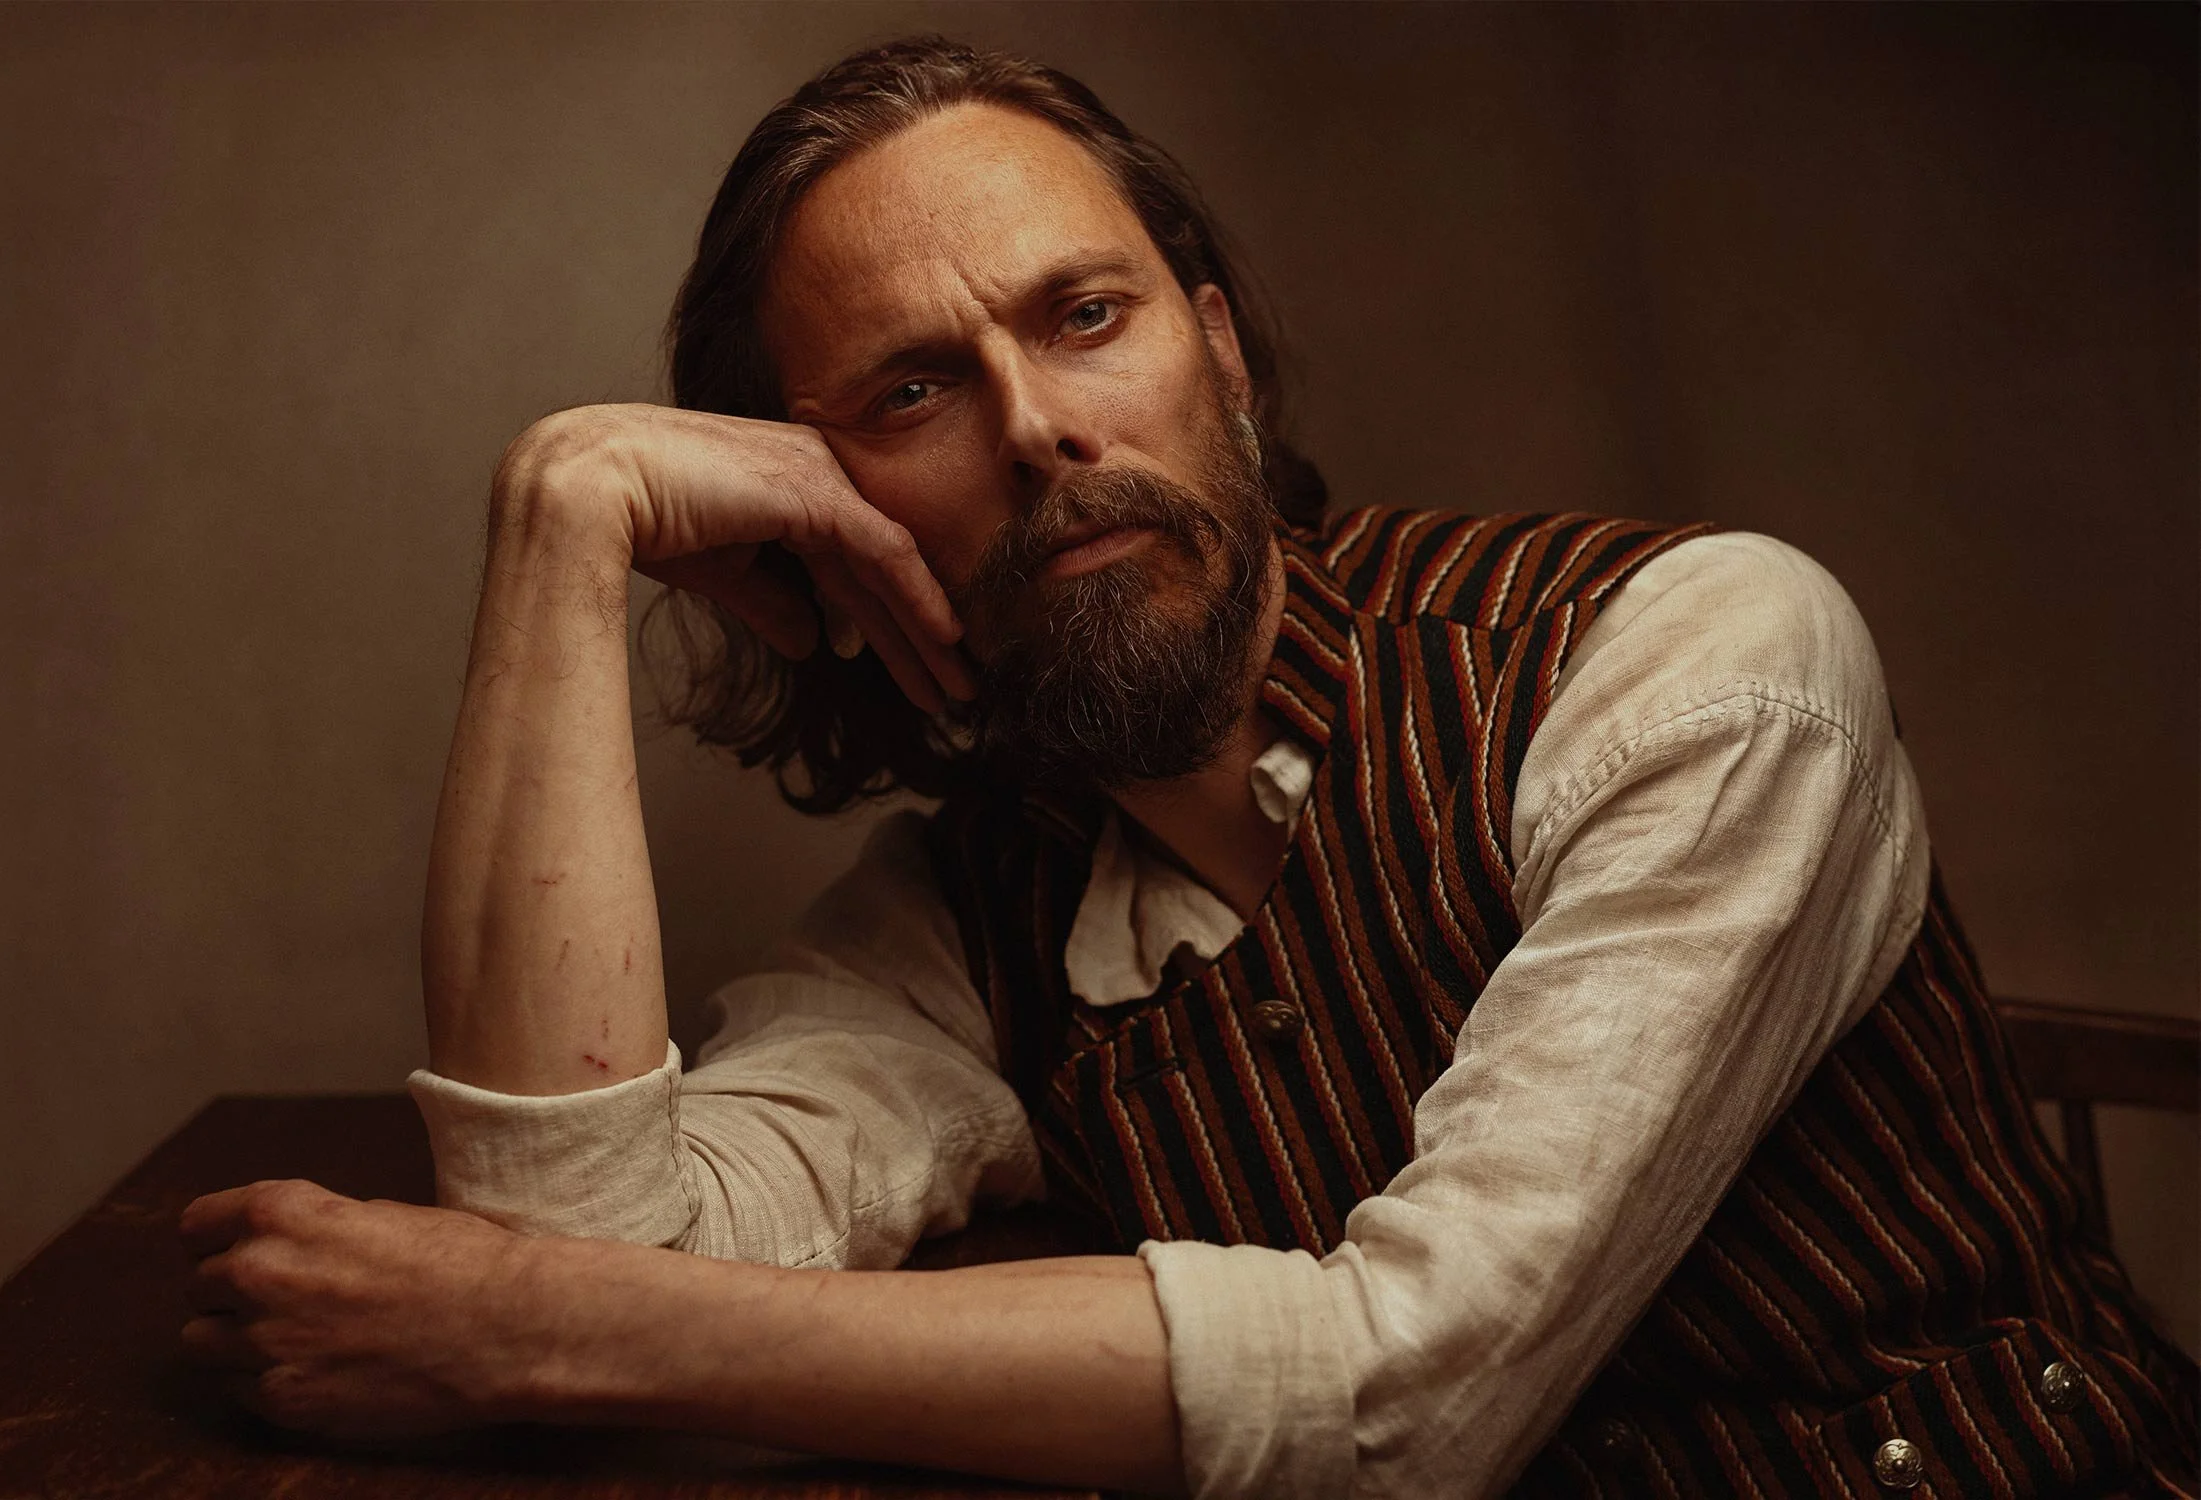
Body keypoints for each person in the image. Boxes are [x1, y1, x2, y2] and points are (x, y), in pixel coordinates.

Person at [178, 37, 2197, 1499]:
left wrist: (555, 1340)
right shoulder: (956, 930)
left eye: (1082, 318)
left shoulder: (1694, 662)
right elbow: (565, 1241)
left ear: (1215, 350)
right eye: (908, 390)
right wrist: (563, 520)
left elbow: (1412, 1398)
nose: (1037, 429)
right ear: (808, 510)